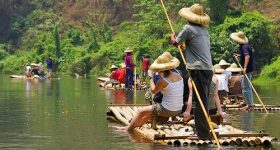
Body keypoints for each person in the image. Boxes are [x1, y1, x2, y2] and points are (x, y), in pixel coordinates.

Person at [170, 3, 213, 140]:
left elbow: (176, 43)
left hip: (198, 70)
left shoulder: (188, 28)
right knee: (203, 101)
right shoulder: (204, 30)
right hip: (208, 69)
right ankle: (205, 130)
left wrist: (173, 39)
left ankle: (202, 134)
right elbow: (195, 48)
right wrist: (183, 46)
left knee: (197, 101)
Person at [116, 52, 183, 132]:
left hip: (167, 109)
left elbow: (154, 91)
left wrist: (150, 77)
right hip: (178, 109)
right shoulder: (178, 76)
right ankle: (130, 127)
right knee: (147, 116)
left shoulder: (163, 81)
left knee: (140, 111)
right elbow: (170, 88)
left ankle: (128, 130)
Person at [230, 31, 255, 110]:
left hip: (247, 69)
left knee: (246, 87)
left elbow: (247, 56)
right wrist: (239, 55)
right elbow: (245, 55)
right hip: (247, 69)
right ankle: (246, 102)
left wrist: (244, 68)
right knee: (243, 86)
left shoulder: (244, 47)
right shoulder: (245, 46)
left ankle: (250, 104)